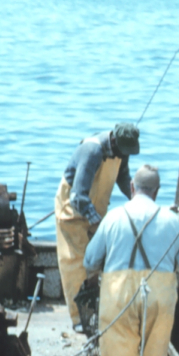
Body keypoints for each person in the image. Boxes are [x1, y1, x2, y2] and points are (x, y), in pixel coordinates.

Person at [83, 164, 179, 356]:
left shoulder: (114, 217)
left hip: (118, 295)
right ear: (157, 191)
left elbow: (90, 260)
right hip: (160, 296)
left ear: (132, 187)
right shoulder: (172, 221)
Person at [54, 122, 139, 329]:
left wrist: (138, 200)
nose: (123, 155)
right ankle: (78, 319)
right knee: (78, 264)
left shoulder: (121, 151)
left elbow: (122, 178)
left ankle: (98, 311)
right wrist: (99, 222)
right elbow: (77, 197)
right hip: (72, 212)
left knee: (101, 261)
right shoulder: (92, 151)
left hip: (95, 210)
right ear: (114, 141)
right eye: (123, 151)